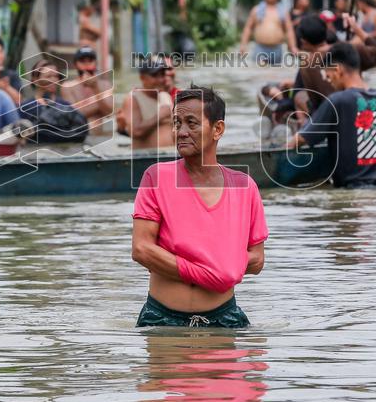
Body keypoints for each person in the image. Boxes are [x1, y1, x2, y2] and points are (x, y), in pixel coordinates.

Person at [131, 86, 268, 327]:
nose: (181, 132)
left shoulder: (244, 186)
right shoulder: (156, 177)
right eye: (176, 123)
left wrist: (221, 266)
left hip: (225, 318)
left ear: (218, 129)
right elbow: (141, 249)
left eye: (191, 123)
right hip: (162, 319)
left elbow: (257, 260)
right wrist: (210, 272)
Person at [287, 43, 376, 189]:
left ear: (337, 70)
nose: (328, 81)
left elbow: (300, 139)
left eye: (329, 75)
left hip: (356, 195)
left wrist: (286, 146)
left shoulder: (337, 101)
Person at [19, 60, 89, 143]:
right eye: (48, 76)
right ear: (35, 79)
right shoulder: (25, 107)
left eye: (56, 76)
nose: (53, 80)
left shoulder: (65, 106)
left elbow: (80, 130)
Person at [116, 59, 174, 150]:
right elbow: (135, 131)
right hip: (145, 158)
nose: (160, 80)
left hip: (169, 156)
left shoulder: (165, 96)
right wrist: (160, 116)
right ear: (142, 78)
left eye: (162, 75)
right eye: (155, 75)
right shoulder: (132, 98)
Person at [238, 0, 297, 65]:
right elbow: (248, 28)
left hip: (277, 48)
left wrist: (292, 46)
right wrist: (243, 45)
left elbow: (289, 30)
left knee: (275, 74)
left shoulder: (283, 11)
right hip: (260, 48)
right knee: (259, 74)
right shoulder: (256, 10)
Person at [60, 46, 114, 135]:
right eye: (82, 61)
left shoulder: (105, 85)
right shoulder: (67, 86)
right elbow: (74, 115)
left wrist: (95, 87)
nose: (87, 64)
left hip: (101, 134)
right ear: (75, 64)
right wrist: (98, 104)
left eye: (90, 60)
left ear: (96, 63)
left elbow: (109, 112)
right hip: (78, 133)